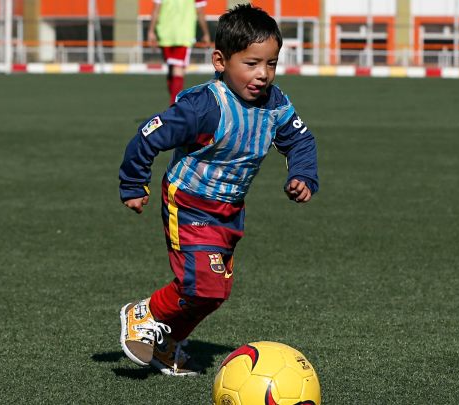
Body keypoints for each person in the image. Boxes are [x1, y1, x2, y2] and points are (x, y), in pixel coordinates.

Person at [118, 4, 319, 376]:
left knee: (215, 293)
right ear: (220, 61)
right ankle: (144, 313)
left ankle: (167, 343)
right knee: (201, 285)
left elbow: (301, 141)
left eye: (271, 64)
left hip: (229, 211)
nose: (263, 75)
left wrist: (304, 175)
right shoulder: (204, 107)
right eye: (252, 63)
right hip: (189, 204)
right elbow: (148, 135)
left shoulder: (276, 105)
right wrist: (133, 183)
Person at [147, 0, 211, 104]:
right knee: (177, 70)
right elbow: (200, 11)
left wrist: (151, 31)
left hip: (165, 34)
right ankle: (174, 108)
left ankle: (173, 105)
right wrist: (206, 33)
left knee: (172, 69)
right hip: (184, 35)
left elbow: (156, 9)